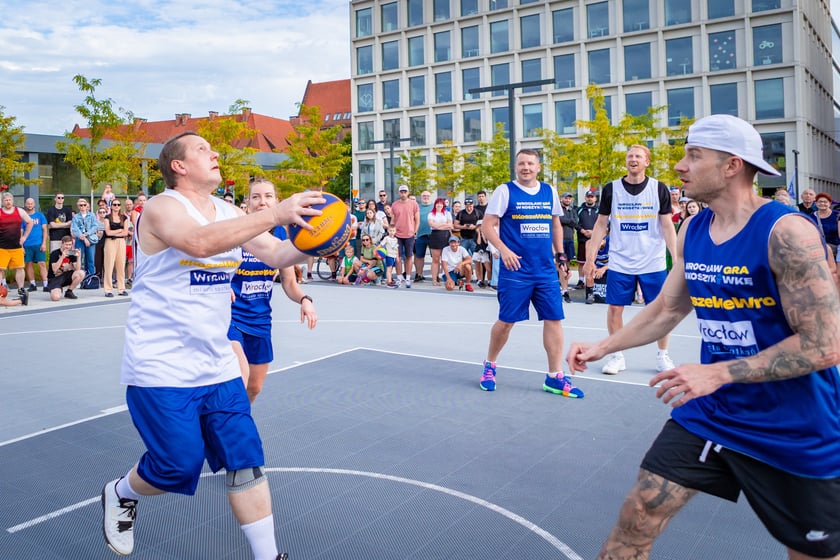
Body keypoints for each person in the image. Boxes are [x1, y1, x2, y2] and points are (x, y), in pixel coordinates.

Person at [567, 113, 840, 560]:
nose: (680, 166)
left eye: (694, 156)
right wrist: (603, 346)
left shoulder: (786, 232)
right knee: (639, 512)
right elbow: (669, 308)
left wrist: (717, 373)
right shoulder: (693, 229)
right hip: (713, 412)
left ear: (732, 165)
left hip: (794, 424)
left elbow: (824, 344)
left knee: (811, 554)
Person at [100, 131, 322, 560]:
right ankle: (122, 492)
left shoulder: (228, 211)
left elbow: (278, 254)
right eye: (203, 149)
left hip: (218, 365)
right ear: (179, 165)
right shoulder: (161, 207)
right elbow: (199, 242)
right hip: (162, 366)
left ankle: (269, 556)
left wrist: (320, 239)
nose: (215, 152)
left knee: (245, 459)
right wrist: (276, 211)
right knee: (176, 466)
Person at [479, 149, 583, 398]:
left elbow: (555, 224)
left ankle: (554, 376)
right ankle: (490, 365)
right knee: (506, 321)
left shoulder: (549, 191)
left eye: (530, 163)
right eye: (521, 163)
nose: (525, 167)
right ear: (516, 167)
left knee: (554, 319)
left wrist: (560, 255)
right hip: (516, 270)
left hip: (545, 270)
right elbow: (487, 225)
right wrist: (503, 250)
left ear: (538, 167)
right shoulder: (505, 191)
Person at [584, 144, 678, 375]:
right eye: (629, 156)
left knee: (661, 311)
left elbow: (667, 225)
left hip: (652, 260)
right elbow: (601, 224)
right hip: (620, 260)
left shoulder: (659, 188)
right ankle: (617, 356)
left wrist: (677, 259)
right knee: (615, 308)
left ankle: (663, 355)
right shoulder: (611, 189)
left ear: (647, 161)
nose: (633, 159)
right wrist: (590, 259)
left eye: (638, 156)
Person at [229, 178, 317, 402]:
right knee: (238, 378)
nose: (262, 202)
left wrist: (305, 299)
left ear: (277, 201)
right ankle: (228, 423)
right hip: (230, 317)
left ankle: (236, 418)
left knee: (254, 387)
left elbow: (289, 282)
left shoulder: (280, 236)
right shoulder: (236, 230)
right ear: (247, 202)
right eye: (256, 197)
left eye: (268, 196)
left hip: (260, 319)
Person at [0, 192, 33, 305]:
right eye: (6, 200)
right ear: (2, 202)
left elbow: (30, 222)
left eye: (10, 200)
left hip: (16, 246)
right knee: (0, 269)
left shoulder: (19, 211)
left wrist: (24, 237)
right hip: (2, 247)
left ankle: (21, 290)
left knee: (20, 268)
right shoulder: (0, 212)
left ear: (12, 200)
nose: (8, 202)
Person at [390, 185, 419, 287]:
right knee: (397, 257)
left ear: (408, 192)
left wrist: (415, 231)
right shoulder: (395, 205)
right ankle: (399, 277)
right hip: (397, 234)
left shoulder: (413, 204)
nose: (403, 194)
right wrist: (391, 231)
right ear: (399, 193)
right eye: (401, 192)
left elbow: (417, 219)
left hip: (409, 234)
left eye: (405, 192)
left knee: (409, 256)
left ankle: (408, 278)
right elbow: (393, 219)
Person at [102, 199, 129, 297]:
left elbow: (125, 232)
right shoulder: (107, 217)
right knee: (109, 265)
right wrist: (119, 230)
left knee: (121, 265)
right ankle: (108, 289)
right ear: (111, 206)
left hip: (121, 242)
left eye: (118, 204)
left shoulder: (124, 218)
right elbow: (108, 232)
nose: (116, 206)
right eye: (114, 204)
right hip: (110, 241)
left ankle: (121, 288)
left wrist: (115, 233)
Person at [22, 197, 49, 292]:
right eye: (28, 203)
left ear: (34, 204)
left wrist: (44, 243)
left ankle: (46, 284)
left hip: (38, 244)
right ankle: (32, 284)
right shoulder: (23, 217)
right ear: (25, 204)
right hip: (27, 244)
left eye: (31, 203)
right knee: (28, 264)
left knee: (42, 263)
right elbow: (20, 232)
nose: (30, 205)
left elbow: (45, 230)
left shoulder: (40, 215)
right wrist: (21, 246)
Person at [46, 235, 84, 301]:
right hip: (54, 278)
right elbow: (54, 269)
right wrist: (62, 257)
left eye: (70, 245)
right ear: (62, 244)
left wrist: (78, 257)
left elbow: (77, 269)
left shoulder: (71, 253)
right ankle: (56, 289)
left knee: (81, 273)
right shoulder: (54, 253)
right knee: (55, 298)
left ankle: (69, 291)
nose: (68, 247)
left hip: (66, 276)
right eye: (66, 245)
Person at [575, 189, 600, 290]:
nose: (590, 198)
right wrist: (583, 231)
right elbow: (575, 222)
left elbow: (603, 223)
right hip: (582, 238)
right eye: (588, 197)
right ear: (585, 198)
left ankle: (593, 281)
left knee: (594, 260)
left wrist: (593, 232)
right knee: (582, 262)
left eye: (592, 197)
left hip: (595, 239)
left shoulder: (599, 210)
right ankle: (581, 280)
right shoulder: (579, 210)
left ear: (595, 198)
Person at [427, 197, 453, 286]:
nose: (439, 205)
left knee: (445, 259)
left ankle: (447, 278)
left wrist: (438, 225)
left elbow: (450, 225)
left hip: (445, 236)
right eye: (437, 203)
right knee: (436, 259)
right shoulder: (431, 214)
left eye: (441, 204)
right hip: (435, 236)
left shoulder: (447, 213)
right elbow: (432, 225)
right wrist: (444, 224)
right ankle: (435, 279)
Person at [70, 197, 99, 276]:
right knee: (78, 259)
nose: (83, 206)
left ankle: (91, 278)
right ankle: (78, 277)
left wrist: (86, 234)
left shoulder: (92, 215)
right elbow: (74, 229)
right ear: (78, 206)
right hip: (80, 240)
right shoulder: (76, 217)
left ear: (87, 206)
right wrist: (83, 238)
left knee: (90, 260)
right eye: (81, 205)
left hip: (90, 239)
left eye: (84, 205)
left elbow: (95, 226)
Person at [558, 192, 579, 303]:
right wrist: (569, 221)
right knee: (560, 265)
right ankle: (562, 289)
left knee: (567, 265)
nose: (567, 200)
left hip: (569, 240)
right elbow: (559, 220)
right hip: (559, 241)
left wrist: (569, 221)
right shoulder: (558, 208)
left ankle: (564, 289)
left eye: (569, 198)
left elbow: (575, 222)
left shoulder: (572, 210)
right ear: (561, 198)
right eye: (566, 198)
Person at [808, 192, 840, 257]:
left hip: (836, 249)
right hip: (819, 250)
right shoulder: (811, 217)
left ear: (830, 203)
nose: (822, 203)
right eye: (820, 202)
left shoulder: (837, 215)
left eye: (825, 202)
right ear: (816, 203)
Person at [413, 190, 434, 282]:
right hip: (420, 234)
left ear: (430, 197)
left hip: (433, 235)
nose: (426, 197)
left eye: (427, 196)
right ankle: (419, 274)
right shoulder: (417, 208)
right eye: (424, 196)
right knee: (419, 256)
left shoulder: (434, 207)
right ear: (421, 198)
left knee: (435, 257)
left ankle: (435, 275)